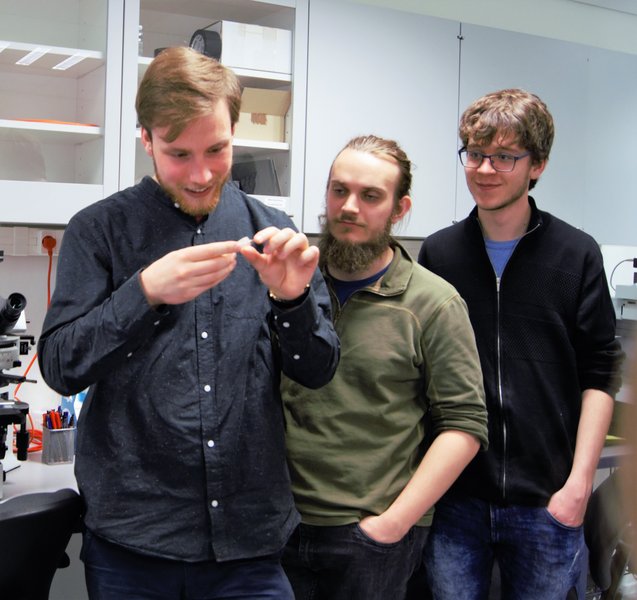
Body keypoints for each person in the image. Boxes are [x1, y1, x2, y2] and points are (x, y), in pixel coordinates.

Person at [36, 46, 340, 600]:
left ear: (234, 133)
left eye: (216, 150)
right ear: (146, 139)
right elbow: (59, 366)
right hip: (135, 540)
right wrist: (144, 293)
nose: (201, 175)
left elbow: (318, 371)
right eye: (179, 154)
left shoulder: (273, 233)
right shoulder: (98, 231)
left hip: (250, 539)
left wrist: (291, 300)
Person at [418, 88, 624, 599]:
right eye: (475, 154)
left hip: (547, 502)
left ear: (538, 165)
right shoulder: (440, 254)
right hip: (455, 499)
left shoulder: (576, 254)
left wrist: (578, 486)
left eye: (505, 156)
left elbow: (600, 373)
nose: (485, 170)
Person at [280, 134, 489, 600]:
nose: (349, 207)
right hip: (277, 525)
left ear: (400, 209)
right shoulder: (290, 283)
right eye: (339, 190)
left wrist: (393, 524)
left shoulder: (433, 303)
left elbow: (465, 426)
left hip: (367, 537)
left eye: (370, 196)